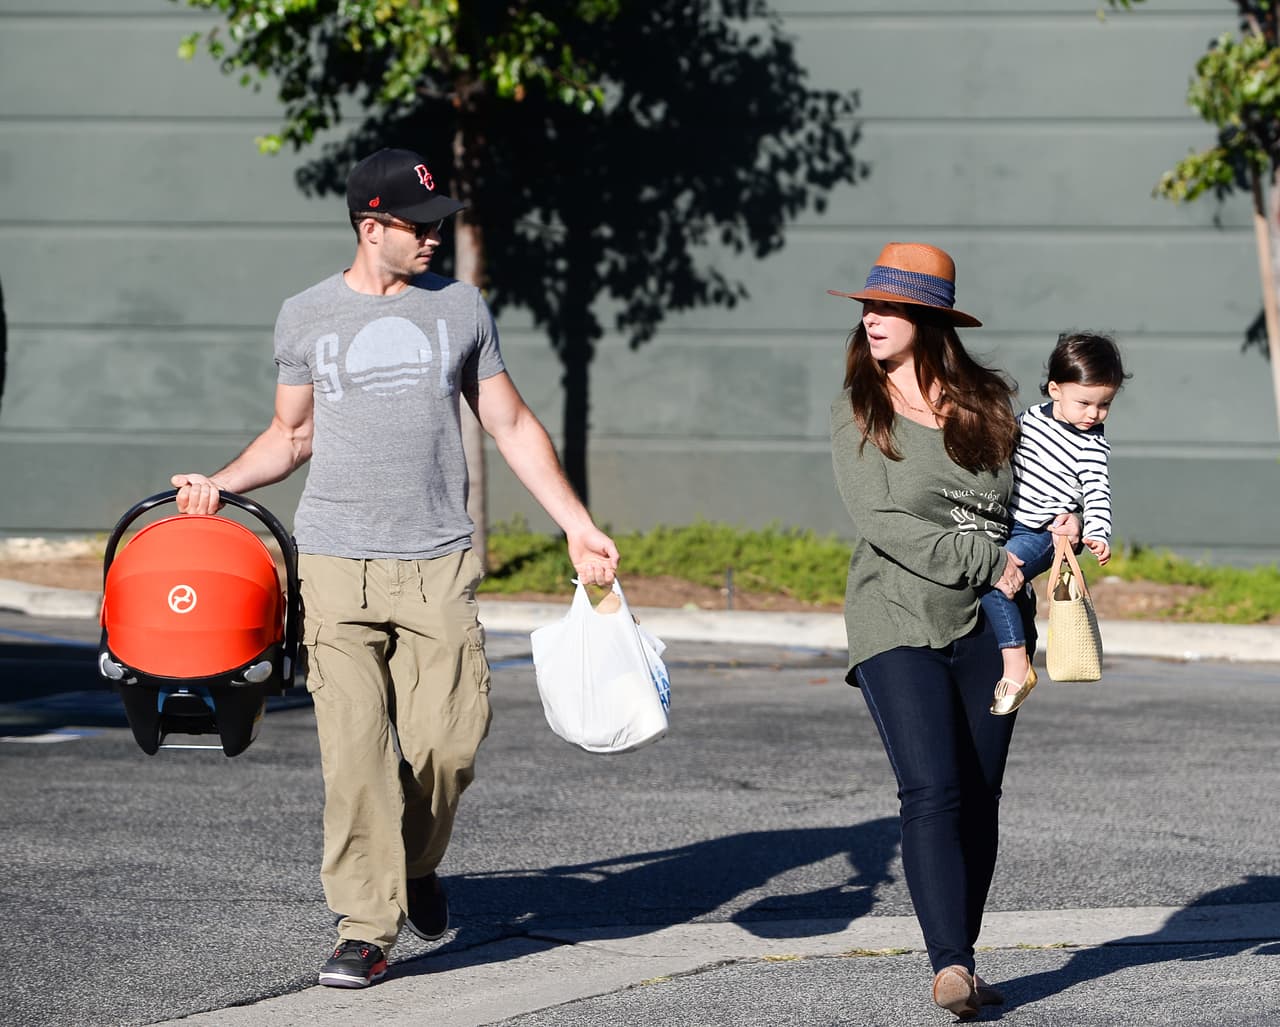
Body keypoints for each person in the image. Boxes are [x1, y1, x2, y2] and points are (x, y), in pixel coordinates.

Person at [171, 147, 619, 989]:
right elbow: (292, 435)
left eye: (439, 222)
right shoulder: (306, 314)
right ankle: (365, 926)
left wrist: (577, 524)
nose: (435, 236)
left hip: (436, 562)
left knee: (450, 743)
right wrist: (221, 485)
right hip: (334, 563)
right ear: (370, 226)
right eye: (420, 225)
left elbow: (511, 424)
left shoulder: (460, 307)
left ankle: (412, 863)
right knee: (355, 753)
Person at [827, 242, 1077, 1019]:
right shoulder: (859, 407)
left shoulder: (989, 405)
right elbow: (883, 522)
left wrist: (1058, 523)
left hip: (993, 624)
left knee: (979, 794)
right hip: (895, 614)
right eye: (869, 306)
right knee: (931, 787)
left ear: (929, 319)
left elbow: (1030, 499)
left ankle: (962, 959)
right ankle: (951, 963)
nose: (873, 318)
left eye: (890, 307)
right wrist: (989, 559)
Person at [984, 332, 1130, 715]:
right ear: (1054, 390)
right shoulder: (1031, 419)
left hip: (1043, 533)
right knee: (990, 574)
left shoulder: (1091, 445)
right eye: (1084, 403)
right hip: (1006, 522)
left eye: (1104, 405)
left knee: (996, 575)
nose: (1093, 414)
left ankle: (1017, 667)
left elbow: (1097, 490)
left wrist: (1095, 532)